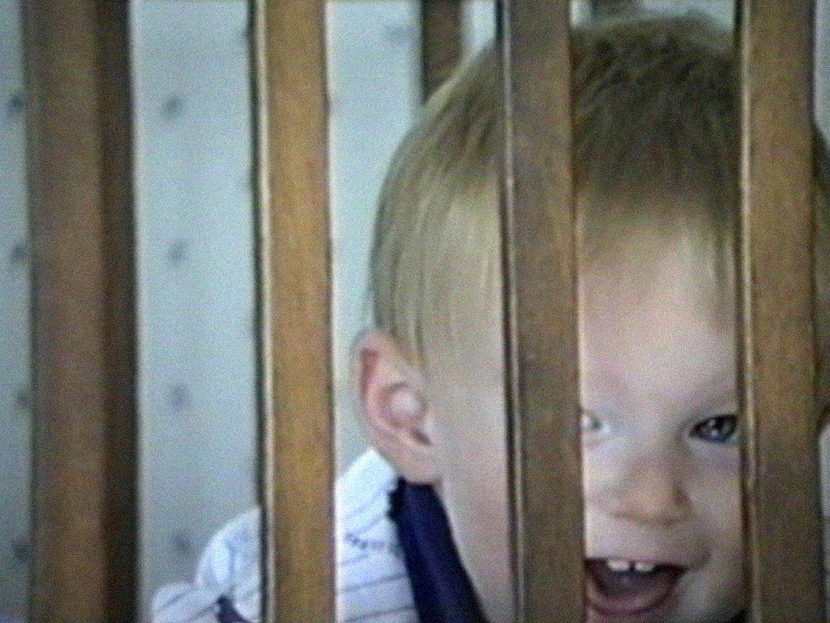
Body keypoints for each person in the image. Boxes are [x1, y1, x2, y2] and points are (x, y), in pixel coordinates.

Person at [153, 13, 830, 623]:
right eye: (573, 421)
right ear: (411, 415)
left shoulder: (800, 584)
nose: (652, 498)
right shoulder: (302, 595)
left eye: (721, 427)